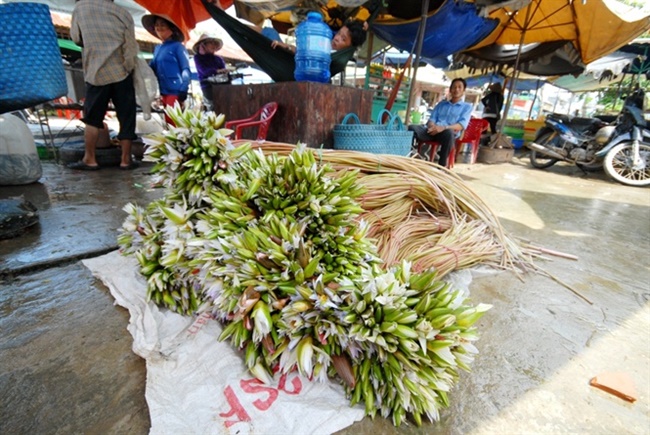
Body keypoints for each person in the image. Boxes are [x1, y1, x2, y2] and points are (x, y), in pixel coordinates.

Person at [68, 0, 139, 170]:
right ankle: (125, 160)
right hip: (121, 70)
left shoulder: (81, 7)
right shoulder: (122, 13)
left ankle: (90, 159)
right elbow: (130, 45)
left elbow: (77, 38)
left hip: (96, 71)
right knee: (126, 116)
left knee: (92, 118)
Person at [409, 78, 473, 168]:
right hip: (432, 131)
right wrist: (433, 127)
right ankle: (409, 156)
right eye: (454, 87)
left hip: (446, 133)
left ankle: (441, 166)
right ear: (450, 89)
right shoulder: (441, 104)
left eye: (459, 87)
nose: (456, 89)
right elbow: (432, 119)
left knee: (449, 133)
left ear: (463, 91)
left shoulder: (467, 107)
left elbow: (461, 125)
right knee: (412, 127)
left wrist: (443, 128)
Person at [142, 14, 190, 126]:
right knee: (168, 123)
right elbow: (151, 68)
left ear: (172, 29)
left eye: (163, 25)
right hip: (164, 92)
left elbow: (185, 69)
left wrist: (184, 89)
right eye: (157, 25)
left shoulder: (178, 47)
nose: (159, 28)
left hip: (176, 91)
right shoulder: (158, 48)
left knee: (175, 123)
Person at [271, 19, 367, 53]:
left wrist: (286, 46)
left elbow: (302, 52)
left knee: (269, 33)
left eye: (343, 39)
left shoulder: (330, 54)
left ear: (350, 48)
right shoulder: (327, 43)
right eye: (338, 33)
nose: (337, 38)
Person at [192, 34, 228, 112]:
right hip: (207, 87)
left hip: (221, 87)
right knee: (212, 109)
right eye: (210, 43)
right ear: (203, 45)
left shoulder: (218, 59)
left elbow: (224, 72)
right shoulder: (198, 58)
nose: (213, 45)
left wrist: (224, 71)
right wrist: (217, 71)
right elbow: (204, 71)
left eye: (214, 43)